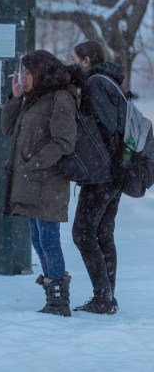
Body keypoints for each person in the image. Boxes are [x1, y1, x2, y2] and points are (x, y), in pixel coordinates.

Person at [2, 50, 77, 316]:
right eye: (24, 72)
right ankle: (52, 294)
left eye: (30, 72)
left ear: (43, 72)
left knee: (49, 239)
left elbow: (64, 141)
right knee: (38, 239)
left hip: (48, 182)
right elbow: (7, 128)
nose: (25, 77)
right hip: (32, 181)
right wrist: (15, 98)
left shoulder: (60, 98)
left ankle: (59, 300)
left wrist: (34, 163)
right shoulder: (34, 99)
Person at [69, 40, 125, 314]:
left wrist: (99, 162)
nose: (75, 64)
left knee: (83, 233)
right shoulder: (109, 81)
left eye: (77, 60)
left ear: (87, 60)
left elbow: (105, 126)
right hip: (115, 172)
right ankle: (107, 296)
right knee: (102, 232)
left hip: (102, 174)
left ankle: (103, 296)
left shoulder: (96, 84)